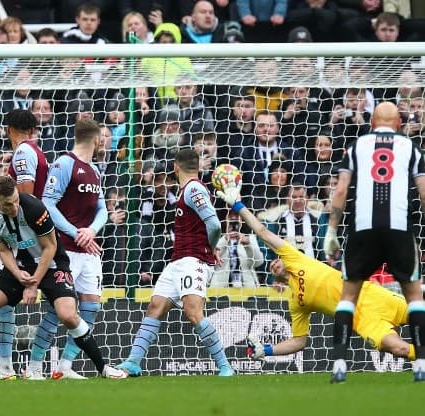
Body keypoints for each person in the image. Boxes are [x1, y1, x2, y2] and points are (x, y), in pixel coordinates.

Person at [214, 177, 419, 364]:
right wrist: (266, 350)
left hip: (374, 296)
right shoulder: (296, 301)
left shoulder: (296, 258)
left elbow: (262, 232)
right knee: (400, 349)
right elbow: (298, 342)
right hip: (362, 320)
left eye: (277, 259)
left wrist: (239, 205)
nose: (274, 263)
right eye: (272, 266)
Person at [0, 175, 127, 380]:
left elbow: (50, 247)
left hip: (52, 264)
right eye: (8, 205)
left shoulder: (34, 207)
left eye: (16, 200)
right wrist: (17, 273)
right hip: (21, 265)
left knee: (68, 315)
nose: (14, 207)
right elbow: (3, 250)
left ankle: (103, 368)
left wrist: (33, 284)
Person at [323, 101, 425, 383]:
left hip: (362, 230)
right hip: (399, 229)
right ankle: (421, 365)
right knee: (414, 297)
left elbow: (341, 188)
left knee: (348, 297)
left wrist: (331, 230)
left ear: (371, 123)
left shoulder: (357, 146)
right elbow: (424, 191)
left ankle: (340, 364)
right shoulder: (411, 148)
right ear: (399, 124)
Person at [116, 148, 234, 377]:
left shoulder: (193, 188)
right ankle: (133, 362)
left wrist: (209, 249)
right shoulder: (187, 190)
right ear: (197, 166)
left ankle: (225, 366)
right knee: (155, 306)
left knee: (193, 312)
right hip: (178, 260)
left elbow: (216, 225)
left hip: (194, 260)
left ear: (175, 167)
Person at [26, 119, 106, 380]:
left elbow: (102, 209)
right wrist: (75, 232)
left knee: (91, 306)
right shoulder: (64, 163)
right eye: (103, 138)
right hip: (66, 251)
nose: (105, 142)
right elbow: (47, 203)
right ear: (96, 140)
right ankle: (34, 367)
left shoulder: (95, 170)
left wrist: (91, 230)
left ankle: (65, 366)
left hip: (88, 249)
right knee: (57, 309)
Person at [0, 109, 49, 379]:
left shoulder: (22, 153)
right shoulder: (36, 151)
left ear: (8, 129)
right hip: (19, 234)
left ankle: (2, 364)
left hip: (20, 238)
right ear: (33, 129)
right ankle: (5, 364)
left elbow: (26, 196)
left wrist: (5, 227)